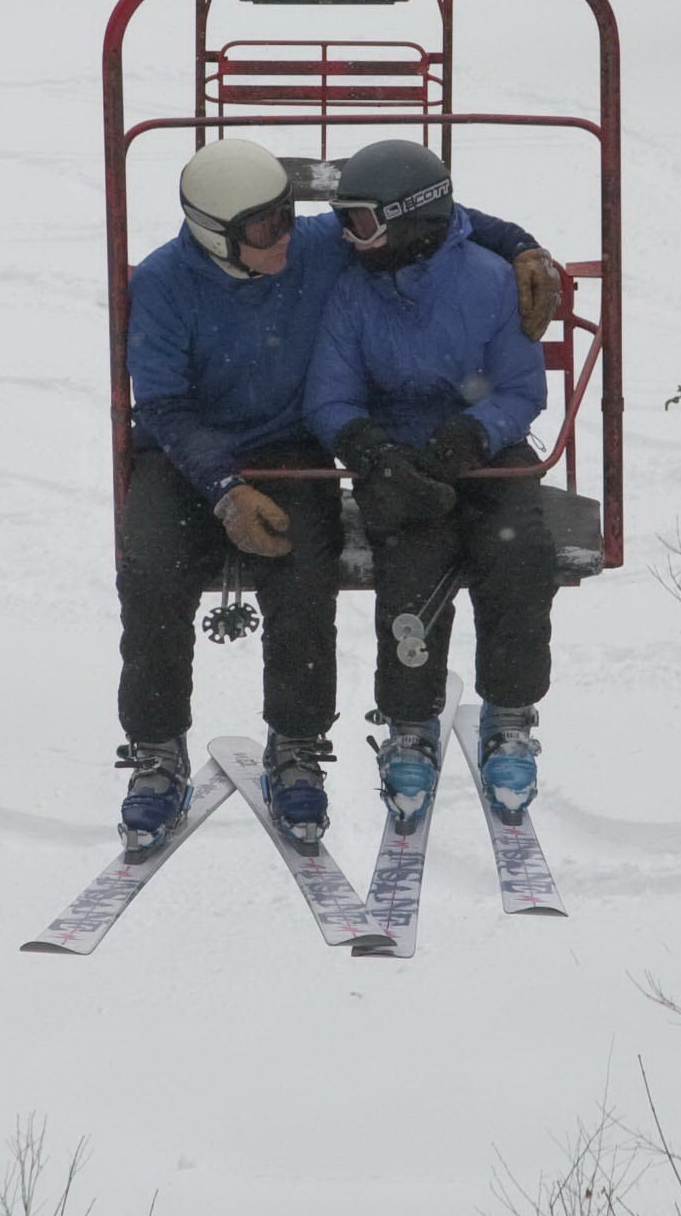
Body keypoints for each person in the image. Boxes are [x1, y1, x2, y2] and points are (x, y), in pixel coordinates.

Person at [120, 137, 558, 852]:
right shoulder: (166, 284)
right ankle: (155, 746)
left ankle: (296, 741)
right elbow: (163, 405)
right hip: (185, 455)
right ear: (214, 234)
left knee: (302, 568)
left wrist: (521, 246)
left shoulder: (323, 246)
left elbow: (432, 216)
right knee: (149, 568)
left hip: (289, 451)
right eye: (265, 228)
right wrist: (225, 489)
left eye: (289, 216)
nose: (287, 236)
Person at [302, 139, 556, 829]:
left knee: (517, 556)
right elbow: (329, 393)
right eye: (345, 221)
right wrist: (368, 448)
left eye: (360, 222)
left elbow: (519, 386)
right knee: (410, 568)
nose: (348, 239)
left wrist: (474, 432)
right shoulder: (353, 294)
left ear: (411, 219)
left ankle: (508, 715)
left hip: (489, 452)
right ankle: (409, 721)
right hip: (400, 460)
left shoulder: (488, 280)